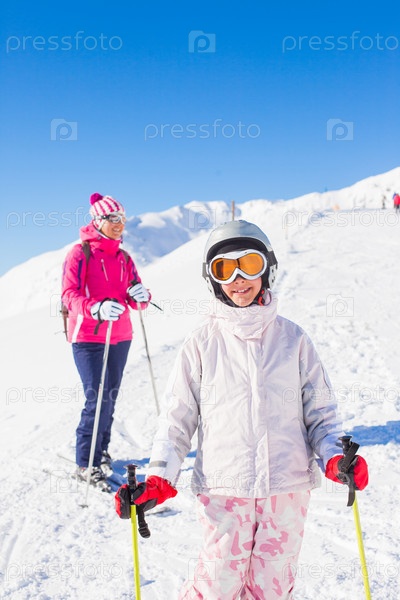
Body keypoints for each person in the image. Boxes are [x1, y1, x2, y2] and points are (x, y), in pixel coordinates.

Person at [115, 220, 369, 599]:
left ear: (267, 269)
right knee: (216, 584)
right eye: (224, 268)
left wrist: (335, 458)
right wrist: (159, 478)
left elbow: (321, 415)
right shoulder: (202, 342)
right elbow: (176, 421)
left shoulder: (293, 339)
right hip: (224, 487)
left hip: (286, 488)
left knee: (272, 588)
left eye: (249, 264)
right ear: (212, 279)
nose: (238, 279)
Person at [62, 192, 151, 489]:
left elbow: (136, 296)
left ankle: (101, 453)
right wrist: (95, 308)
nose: (119, 223)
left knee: (109, 397)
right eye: (113, 218)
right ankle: (84, 463)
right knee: (96, 398)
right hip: (88, 336)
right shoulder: (80, 253)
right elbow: (69, 295)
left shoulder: (124, 257)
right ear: (98, 220)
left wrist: (142, 296)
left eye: (122, 218)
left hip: (120, 335)